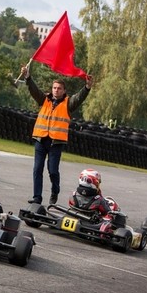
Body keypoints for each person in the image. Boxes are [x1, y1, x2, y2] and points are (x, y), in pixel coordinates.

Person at [21, 66, 93, 204]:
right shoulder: (44, 100)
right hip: (41, 140)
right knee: (37, 169)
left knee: (52, 171)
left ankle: (55, 191)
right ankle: (37, 198)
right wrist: (28, 77)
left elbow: (79, 98)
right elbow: (34, 90)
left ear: (64, 91)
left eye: (59, 88)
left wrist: (87, 87)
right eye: (54, 88)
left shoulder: (68, 103)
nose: (56, 90)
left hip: (56, 143)